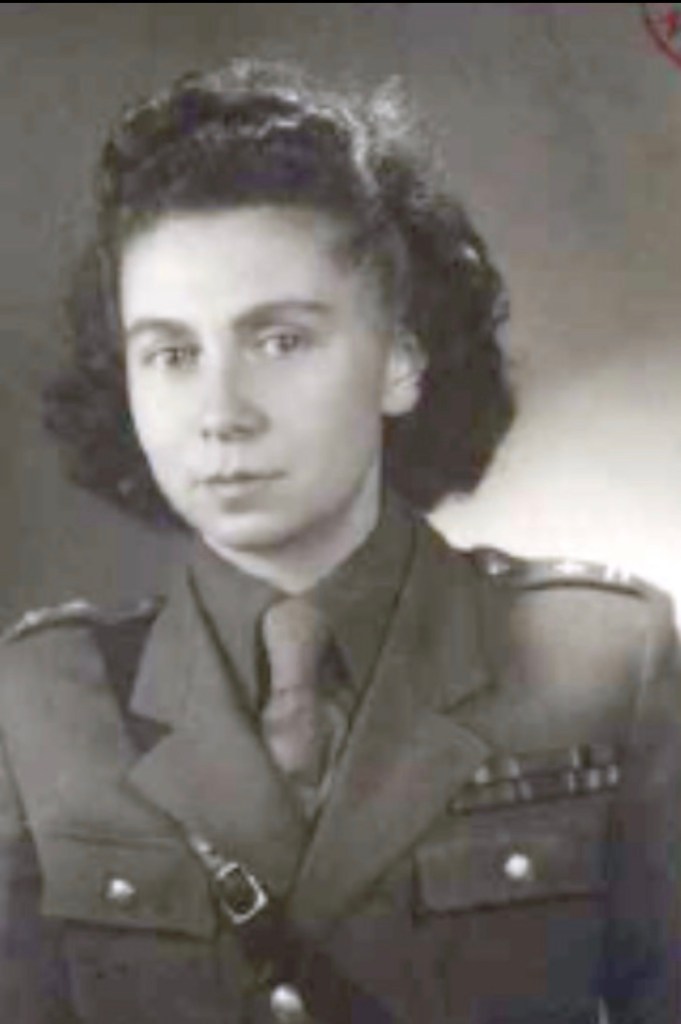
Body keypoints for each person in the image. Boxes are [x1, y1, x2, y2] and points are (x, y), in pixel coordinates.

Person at [0, 59, 678, 1024]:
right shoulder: (45, 701)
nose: (221, 412)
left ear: (400, 358)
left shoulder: (601, 661)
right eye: (172, 354)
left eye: (279, 341)